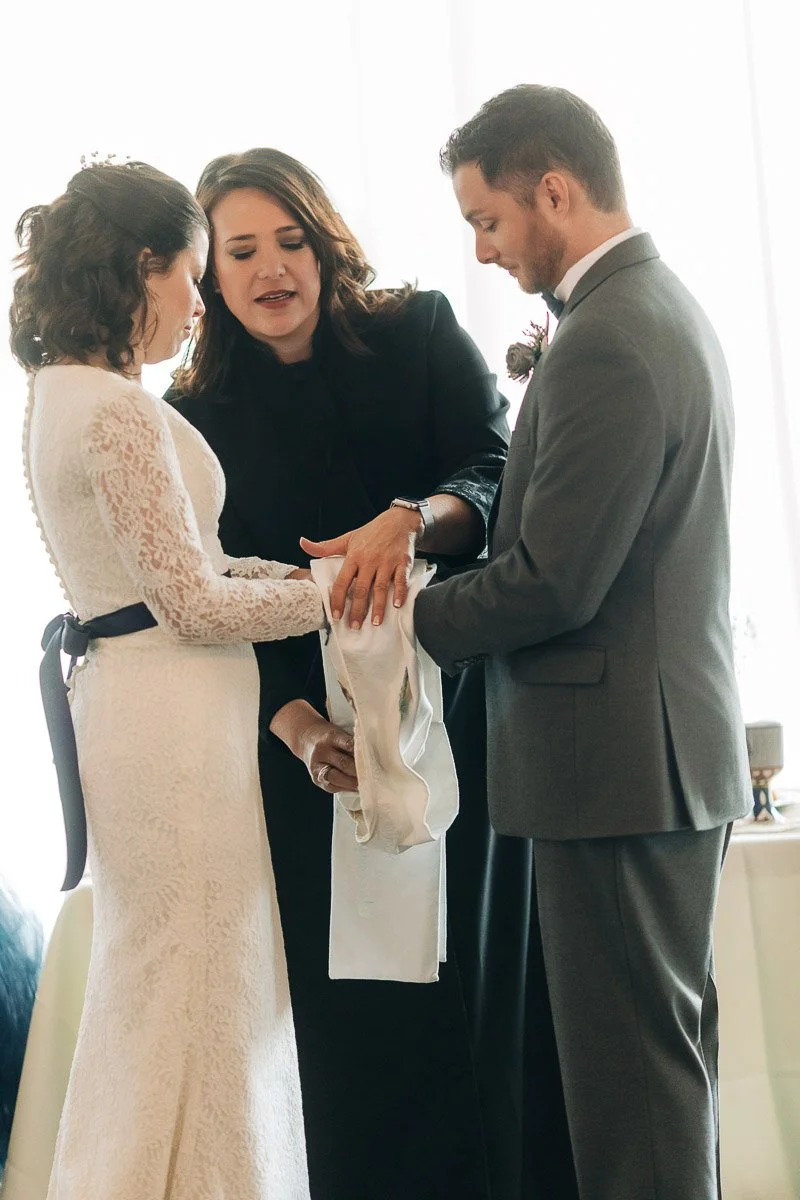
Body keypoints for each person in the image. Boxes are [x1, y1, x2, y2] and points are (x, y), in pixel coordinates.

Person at [411, 85, 752, 1200]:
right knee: (656, 1082)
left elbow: (554, 580)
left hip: (613, 772)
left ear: (553, 188)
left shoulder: (609, 336)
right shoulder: (649, 310)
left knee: (630, 1100)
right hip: (645, 763)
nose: (480, 249)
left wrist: (399, 616)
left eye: (489, 220)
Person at [168, 148, 511, 1200]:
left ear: (324, 243)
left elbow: (498, 472)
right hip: (300, 756)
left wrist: (409, 523)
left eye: (289, 240)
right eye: (240, 250)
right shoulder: (193, 416)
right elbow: (212, 607)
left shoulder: (418, 333)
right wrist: (303, 730)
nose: (271, 268)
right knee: (338, 1037)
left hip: (453, 722)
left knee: (463, 1010)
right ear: (209, 276)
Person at [11, 160, 326, 1199]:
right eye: (189, 275)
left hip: (135, 703)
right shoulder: (116, 409)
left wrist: (291, 572)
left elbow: (171, 570)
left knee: (163, 985)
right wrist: (349, 600)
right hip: (169, 721)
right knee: (192, 985)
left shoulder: (57, 391)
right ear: (137, 269)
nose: (199, 303)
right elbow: (189, 606)